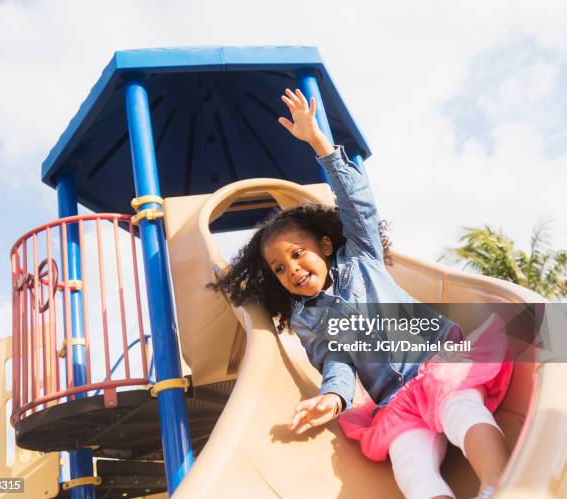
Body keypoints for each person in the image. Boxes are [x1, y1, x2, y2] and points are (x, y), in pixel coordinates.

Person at [210, 88, 513, 499]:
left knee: (461, 411)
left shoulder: (361, 258)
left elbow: (359, 205)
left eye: (298, 255)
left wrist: (319, 144)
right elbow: (336, 362)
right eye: (280, 269)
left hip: (440, 364)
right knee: (409, 460)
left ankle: (500, 485)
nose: (293, 269)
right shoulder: (307, 319)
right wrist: (333, 399)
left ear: (326, 246)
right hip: (397, 401)